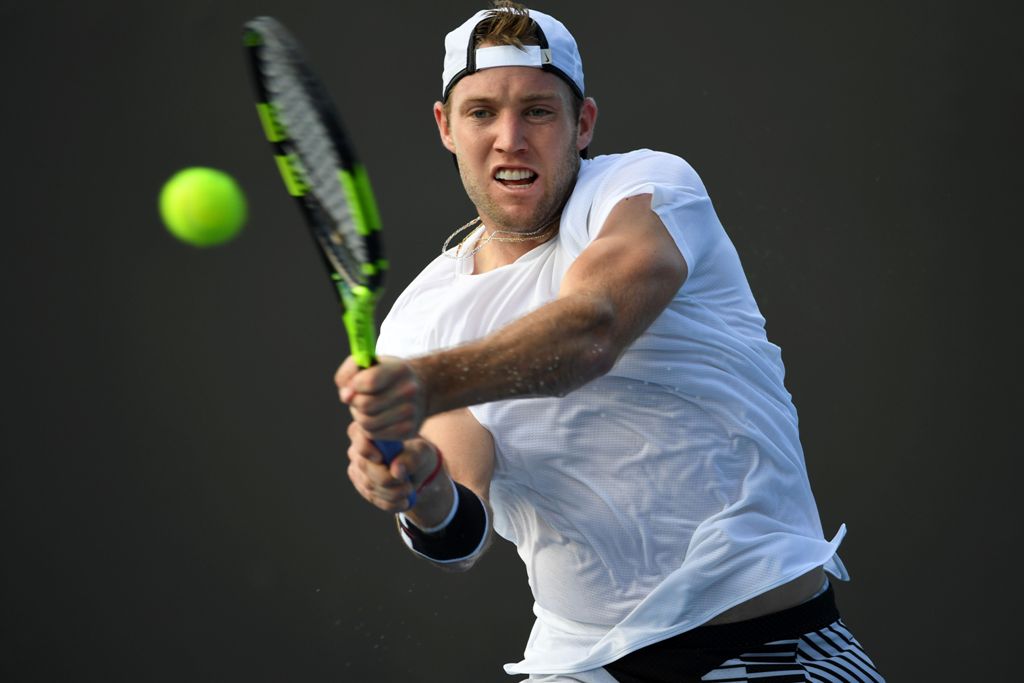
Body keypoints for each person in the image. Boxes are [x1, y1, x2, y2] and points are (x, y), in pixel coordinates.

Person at [335, 3, 885, 681]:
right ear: (447, 127)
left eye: (537, 111)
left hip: (771, 649)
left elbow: (590, 330)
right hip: (582, 666)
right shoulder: (419, 324)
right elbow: (461, 528)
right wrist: (421, 488)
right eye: (482, 112)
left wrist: (425, 382)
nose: (510, 138)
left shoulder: (648, 189)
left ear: (582, 124)